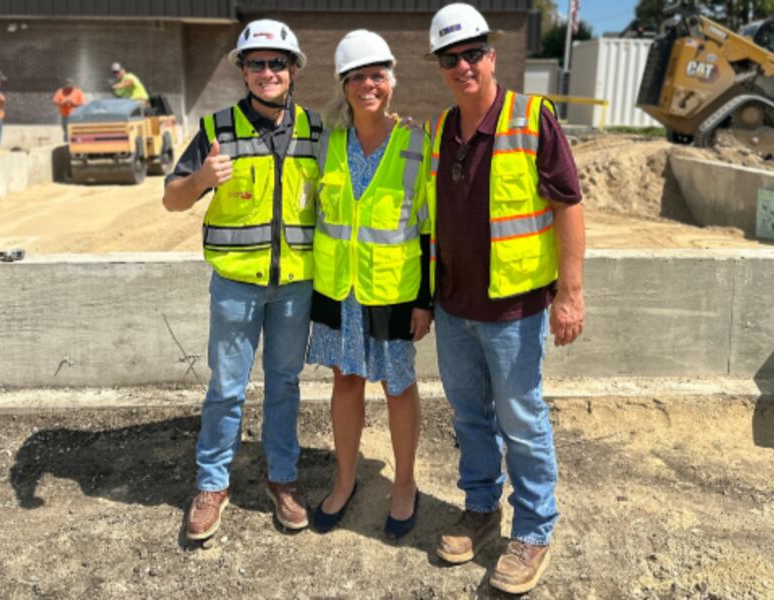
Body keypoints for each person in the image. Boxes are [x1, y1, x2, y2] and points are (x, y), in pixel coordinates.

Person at [425, 3, 585, 594]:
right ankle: (482, 508)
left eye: (472, 53)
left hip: (514, 309)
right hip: (453, 305)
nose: (463, 65)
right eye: (451, 58)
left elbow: (569, 203)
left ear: (491, 56)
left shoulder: (532, 117)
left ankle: (536, 528)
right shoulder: (442, 127)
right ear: (440, 67)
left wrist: (570, 293)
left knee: (521, 418)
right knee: (469, 417)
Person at [162, 19, 322, 540]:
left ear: (293, 68)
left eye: (278, 62)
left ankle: (283, 478)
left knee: (284, 385)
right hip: (235, 286)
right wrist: (203, 179)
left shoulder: (318, 132)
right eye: (257, 63)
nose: (268, 71)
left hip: (296, 287)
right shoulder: (216, 130)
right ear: (243, 71)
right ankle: (212, 484)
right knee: (227, 389)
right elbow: (172, 199)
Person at [307, 30, 431, 539]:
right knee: (345, 381)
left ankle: (404, 485)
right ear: (344, 86)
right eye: (356, 77)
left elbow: (430, 226)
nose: (367, 85)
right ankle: (345, 479)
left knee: (398, 387)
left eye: (376, 75)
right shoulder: (327, 144)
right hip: (340, 291)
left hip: (394, 291)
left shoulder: (416, 143)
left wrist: (426, 300)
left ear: (392, 81)